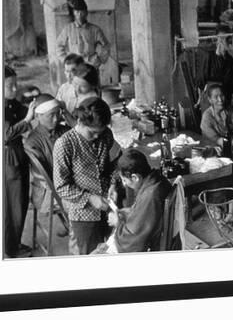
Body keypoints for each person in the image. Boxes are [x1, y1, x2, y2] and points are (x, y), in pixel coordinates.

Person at [52, 97, 115, 255]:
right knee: (90, 256)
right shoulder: (65, 144)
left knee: (111, 250)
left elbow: (112, 166)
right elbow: (61, 187)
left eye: (99, 132)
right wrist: (90, 198)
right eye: (92, 132)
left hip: (108, 206)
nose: (96, 137)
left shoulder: (105, 134)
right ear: (80, 121)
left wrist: (113, 184)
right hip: (83, 215)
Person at [106, 149, 172, 253]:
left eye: (124, 180)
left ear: (135, 177)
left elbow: (131, 242)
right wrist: (130, 212)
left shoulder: (150, 195)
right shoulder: (156, 179)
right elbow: (145, 214)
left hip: (153, 245)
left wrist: (117, 223)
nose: (124, 184)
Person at [4, 66, 36, 258]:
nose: (15, 89)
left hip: (16, 156)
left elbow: (21, 108)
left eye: (16, 84)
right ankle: (11, 248)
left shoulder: (9, 102)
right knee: (13, 207)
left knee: (19, 204)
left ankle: (11, 244)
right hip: (10, 159)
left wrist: (37, 105)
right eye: (10, 86)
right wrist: (27, 120)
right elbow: (6, 134)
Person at [23, 94, 69, 215]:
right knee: (90, 200)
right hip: (48, 196)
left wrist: (66, 113)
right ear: (38, 116)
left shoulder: (63, 130)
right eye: (51, 115)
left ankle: (76, 228)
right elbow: (47, 178)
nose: (56, 119)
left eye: (58, 113)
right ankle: (77, 230)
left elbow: (83, 135)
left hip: (64, 186)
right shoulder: (33, 142)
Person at [55, 0, 110, 68]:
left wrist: (100, 59)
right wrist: (65, 60)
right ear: (74, 13)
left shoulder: (95, 30)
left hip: (90, 65)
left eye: (82, 12)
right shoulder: (68, 29)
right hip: (75, 66)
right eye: (77, 12)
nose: (80, 15)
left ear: (86, 13)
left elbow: (106, 46)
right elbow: (58, 45)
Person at [195, 24, 233, 105]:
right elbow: (200, 82)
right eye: (225, 39)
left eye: (229, 38)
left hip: (225, 98)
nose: (229, 41)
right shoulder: (209, 56)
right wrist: (200, 99)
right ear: (219, 40)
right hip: (211, 100)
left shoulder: (229, 59)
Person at [200, 83, 233, 154]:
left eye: (222, 95)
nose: (220, 100)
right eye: (216, 97)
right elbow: (217, 140)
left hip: (227, 143)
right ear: (210, 100)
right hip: (211, 148)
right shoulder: (207, 117)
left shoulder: (228, 110)